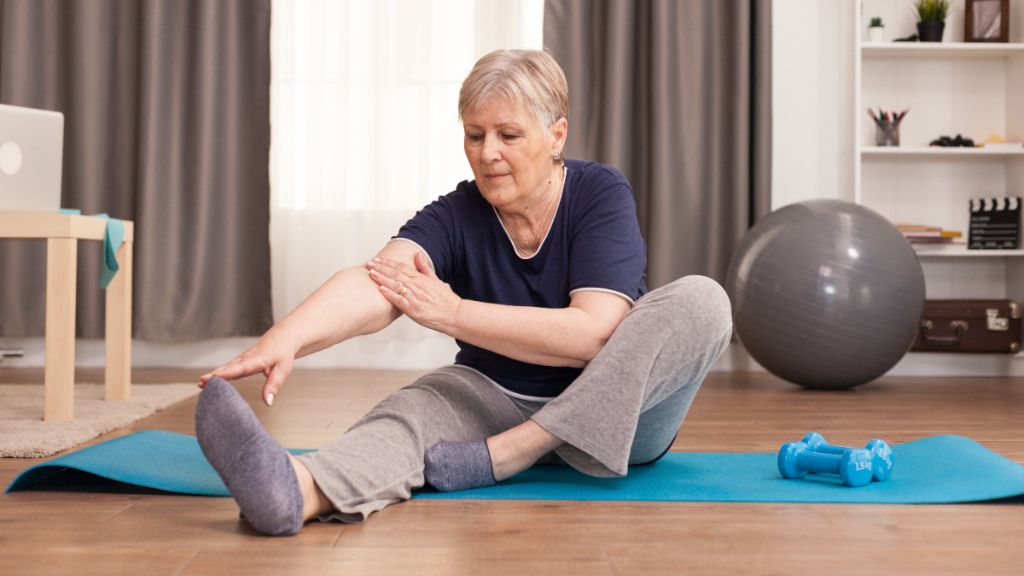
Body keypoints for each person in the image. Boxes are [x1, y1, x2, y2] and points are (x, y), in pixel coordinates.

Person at [196, 49, 732, 536]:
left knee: (703, 300)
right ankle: (296, 489)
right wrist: (284, 339)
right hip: (492, 399)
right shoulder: (457, 212)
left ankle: (521, 450)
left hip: (621, 415)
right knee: (410, 411)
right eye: (474, 136)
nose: (488, 153)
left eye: (508, 135)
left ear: (557, 135)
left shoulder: (599, 193)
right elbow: (379, 280)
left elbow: (590, 336)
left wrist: (453, 313)